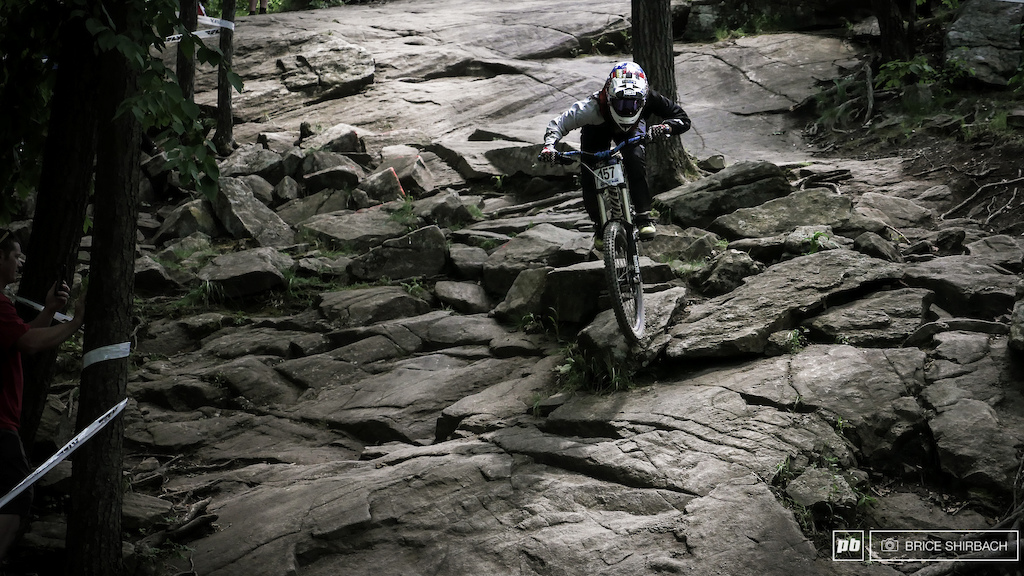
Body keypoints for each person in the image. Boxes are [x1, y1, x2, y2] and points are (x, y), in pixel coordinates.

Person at [0, 230, 86, 565]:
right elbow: (30, 344)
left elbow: (24, 335)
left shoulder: (5, 309)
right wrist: (76, 321)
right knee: (17, 497)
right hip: (0, 426)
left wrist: (50, 310)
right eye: (16, 255)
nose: (21, 262)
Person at [540, 61, 691, 245]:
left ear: (643, 99)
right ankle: (599, 226)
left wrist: (665, 127)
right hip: (597, 129)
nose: (627, 109)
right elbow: (559, 123)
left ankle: (643, 217)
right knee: (588, 172)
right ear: (609, 97)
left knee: (634, 159)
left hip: (633, 131)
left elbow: (682, 118)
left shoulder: (650, 98)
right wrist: (549, 146)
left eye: (633, 104)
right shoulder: (591, 107)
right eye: (621, 104)